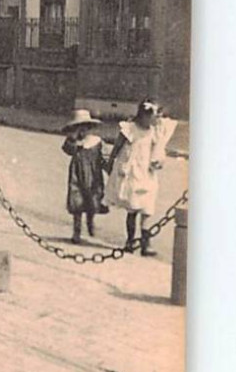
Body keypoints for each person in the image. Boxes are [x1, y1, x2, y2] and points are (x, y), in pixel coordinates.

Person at [104, 99, 176, 256]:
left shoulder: (154, 132)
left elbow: (158, 150)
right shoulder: (129, 129)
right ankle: (129, 241)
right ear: (144, 115)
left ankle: (145, 244)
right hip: (132, 172)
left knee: (147, 207)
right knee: (133, 207)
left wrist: (158, 161)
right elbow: (117, 147)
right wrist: (110, 164)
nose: (155, 120)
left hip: (146, 172)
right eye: (153, 116)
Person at [61, 109, 107, 245]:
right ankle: (77, 231)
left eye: (85, 127)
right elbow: (66, 149)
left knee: (92, 201)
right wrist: (72, 138)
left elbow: (103, 158)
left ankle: (90, 223)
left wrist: (109, 169)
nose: (82, 131)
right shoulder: (74, 143)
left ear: (89, 127)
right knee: (77, 203)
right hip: (77, 175)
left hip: (93, 176)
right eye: (78, 128)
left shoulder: (96, 141)